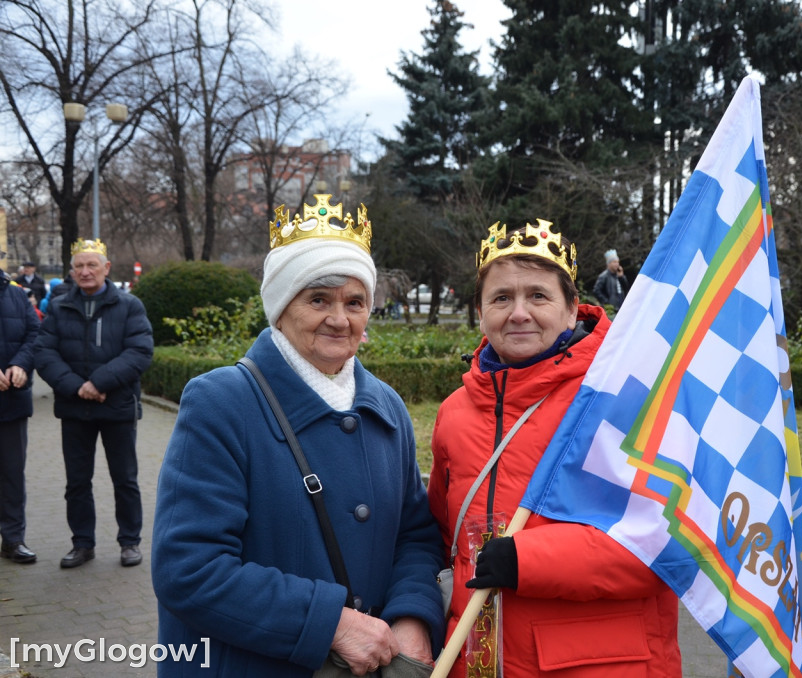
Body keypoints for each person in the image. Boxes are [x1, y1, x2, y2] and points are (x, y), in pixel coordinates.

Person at [151, 196, 444, 677]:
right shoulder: (221, 401)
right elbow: (189, 569)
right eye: (318, 299)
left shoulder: (386, 406)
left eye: (355, 302)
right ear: (281, 307)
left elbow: (414, 535)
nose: (339, 318)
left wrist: (412, 616)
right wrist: (330, 624)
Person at [428, 220, 681, 677]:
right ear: (481, 313)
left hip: (596, 664)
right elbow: (446, 538)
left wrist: (527, 560)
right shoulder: (454, 412)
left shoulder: (623, 399)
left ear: (571, 310)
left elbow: (670, 543)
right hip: (478, 660)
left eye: (538, 296)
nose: (518, 312)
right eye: (501, 297)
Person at [34, 238, 154, 568]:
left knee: (125, 480)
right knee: (77, 482)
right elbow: (44, 353)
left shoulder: (130, 305)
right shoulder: (59, 307)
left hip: (117, 406)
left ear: (106, 268)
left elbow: (140, 352)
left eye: (92, 265)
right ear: (71, 271)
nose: (85, 272)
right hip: (76, 407)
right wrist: (78, 387)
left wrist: (98, 383)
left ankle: (130, 541)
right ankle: (82, 544)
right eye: (79, 266)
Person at [0, 264, 41, 565]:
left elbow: (35, 335)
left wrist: (21, 364)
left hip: (11, 403)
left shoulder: (16, 294)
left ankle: (13, 540)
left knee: (12, 474)